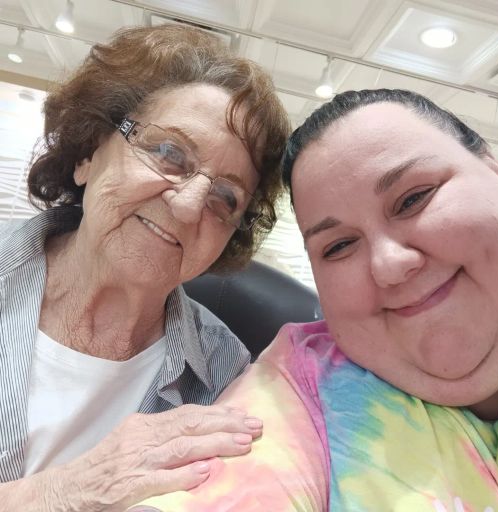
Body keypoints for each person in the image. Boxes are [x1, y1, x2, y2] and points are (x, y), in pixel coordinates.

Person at [131, 88, 498, 512]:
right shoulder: (303, 384)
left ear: (496, 170)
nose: (389, 264)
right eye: (339, 246)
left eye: (413, 199)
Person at [0, 23, 290, 511]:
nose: (188, 206)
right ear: (89, 153)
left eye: (226, 197)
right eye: (169, 153)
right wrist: (57, 493)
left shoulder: (227, 376)